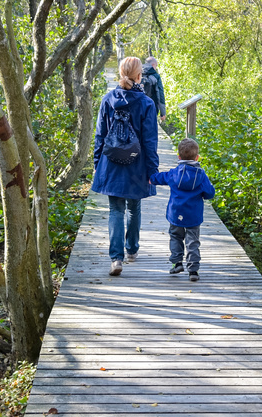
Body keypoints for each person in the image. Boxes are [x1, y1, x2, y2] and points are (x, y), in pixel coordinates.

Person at [91, 57, 160, 277]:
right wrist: (152, 169)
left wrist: (97, 163)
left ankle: (116, 259)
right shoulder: (147, 103)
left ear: (121, 73)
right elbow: (150, 140)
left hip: (111, 163)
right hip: (137, 163)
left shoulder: (108, 99)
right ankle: (131, 251)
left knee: (115, 210)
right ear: (140, 75)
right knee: (134, 207)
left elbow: (100, 135)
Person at [150, 138, 215, 282]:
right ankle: (193, 270)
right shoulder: (201, 175)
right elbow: (210, 193)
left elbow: (158, 178)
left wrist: (150, 177)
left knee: (175, 236)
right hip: (193, 215)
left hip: (175, 213)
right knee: (193, 241)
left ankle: (177, 263)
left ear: (179, 157)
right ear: (197, 157)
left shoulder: (173, 173)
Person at [141, 56, 166, 122]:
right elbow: (160, 94)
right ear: (153, 65)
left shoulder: (138, 73)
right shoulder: (156, 76)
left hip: (139, 107)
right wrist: (163, 112)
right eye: (156, 66)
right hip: (152, 107)